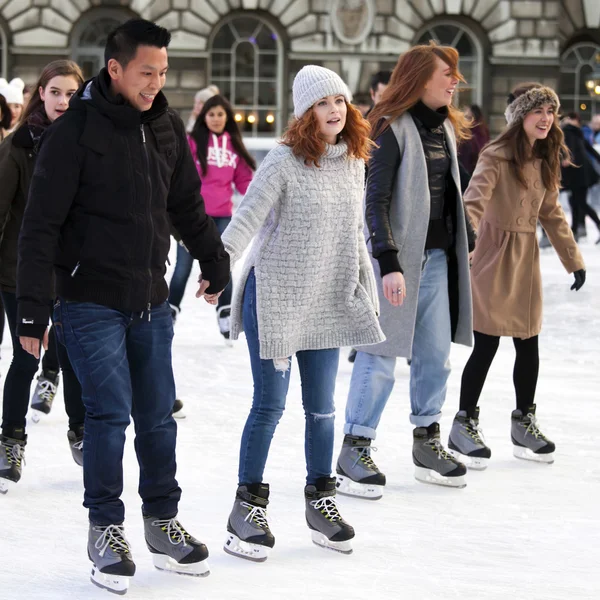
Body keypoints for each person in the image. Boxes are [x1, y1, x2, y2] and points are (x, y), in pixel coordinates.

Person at [16, 19, 229, 593]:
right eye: (146, 72)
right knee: (108, 417)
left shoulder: (162, 125)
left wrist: (215, 261)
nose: (156, 83)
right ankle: (106, 529)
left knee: (158, 419)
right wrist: (34, 309)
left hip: (149, 301)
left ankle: (162, 522)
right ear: (115, 69)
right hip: (88, 302)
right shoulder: (74, 133)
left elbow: (185, 204)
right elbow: (40, 226)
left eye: (162, 72)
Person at [220, 65, 384, 561]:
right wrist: (215, 268)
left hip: (326, 299)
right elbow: (245, 219)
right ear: (304, 113)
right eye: (322, 103)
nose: (334, 110)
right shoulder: (284, 161)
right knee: (270, 405)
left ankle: (321, 501)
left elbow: (353, 233)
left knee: (322, 408)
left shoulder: (354, 161)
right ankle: (246, 509)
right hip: (276, 297)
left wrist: (365, 290)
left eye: (339, 101)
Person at [336, 42, 475, 499]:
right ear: (419, 78)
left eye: (455, 74)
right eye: (447, 74)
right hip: (394, 262)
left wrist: (464, 238)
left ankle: (427, 439)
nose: (455, 81)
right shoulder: (392, 128)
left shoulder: (445, 129)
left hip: (436, 260)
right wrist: (388, 262)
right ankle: (355, 445)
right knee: (380, 355)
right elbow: (373, 202)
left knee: (435, 355)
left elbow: (445, 195)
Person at [449, 84, 586, 468]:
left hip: (526, 260)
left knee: (529, 343)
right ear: (520, 116)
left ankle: (524, 420)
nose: (546, 118)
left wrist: (573, 260)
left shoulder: (545, 158)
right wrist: (466, 244)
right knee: (487, 343)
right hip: (493, 257)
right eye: (538, 111)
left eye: (551, 111)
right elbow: (473, 201)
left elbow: (552, 213)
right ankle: (464, 422)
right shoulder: (497, 154)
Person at [0, 60, 87, 496]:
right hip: (20, 273)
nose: (63, 101)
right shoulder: (19, 147)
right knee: (25, 358)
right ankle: (11, 440)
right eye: (55, 92)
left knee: (72, 359)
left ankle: (81, 434)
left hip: (72, 274)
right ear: (41, 94)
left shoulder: (91, 143)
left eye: (72, 94)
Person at [169, 94, 255, 339]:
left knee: (222, 265)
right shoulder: (193, 142)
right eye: (211, 114)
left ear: (227, 117)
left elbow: (243, 179)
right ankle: (170, 311)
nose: (216, 119)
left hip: (222, 216)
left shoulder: (234, 145)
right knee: (182, 268)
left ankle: (225, 312)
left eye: (220, 114)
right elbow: (183, 175)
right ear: (203, 117)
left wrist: (255, 196)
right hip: (193, 218)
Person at [561, 112, 600, 243]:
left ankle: (581, 229)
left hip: (577, 173)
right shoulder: (576, 132)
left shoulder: (570, 132)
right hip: (580, 173)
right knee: (575, 201)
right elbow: (589, 149)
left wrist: (566, 158)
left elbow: (571, 149)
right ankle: (575, 230)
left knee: (580, 202)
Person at [458, 104, 490, 176]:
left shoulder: (475, 134)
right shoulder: (467, 133)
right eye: (465, 117)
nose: (465, 120)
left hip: (471, 173)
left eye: (468, 117)